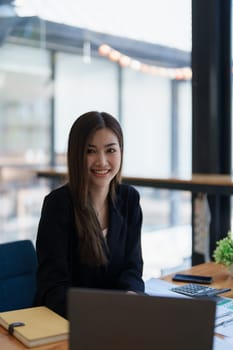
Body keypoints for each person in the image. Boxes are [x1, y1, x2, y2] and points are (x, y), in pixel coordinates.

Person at [34, 111, 144, 318]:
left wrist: (132, 295)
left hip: (117, 319)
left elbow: (133, 267)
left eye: (110, 150)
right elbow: (53, 287)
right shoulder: (58, 205)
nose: (102, 161)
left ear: (121, 151)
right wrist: (98, 313)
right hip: (67, 321)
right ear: (76, 155)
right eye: (90, 151)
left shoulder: (129, 199)